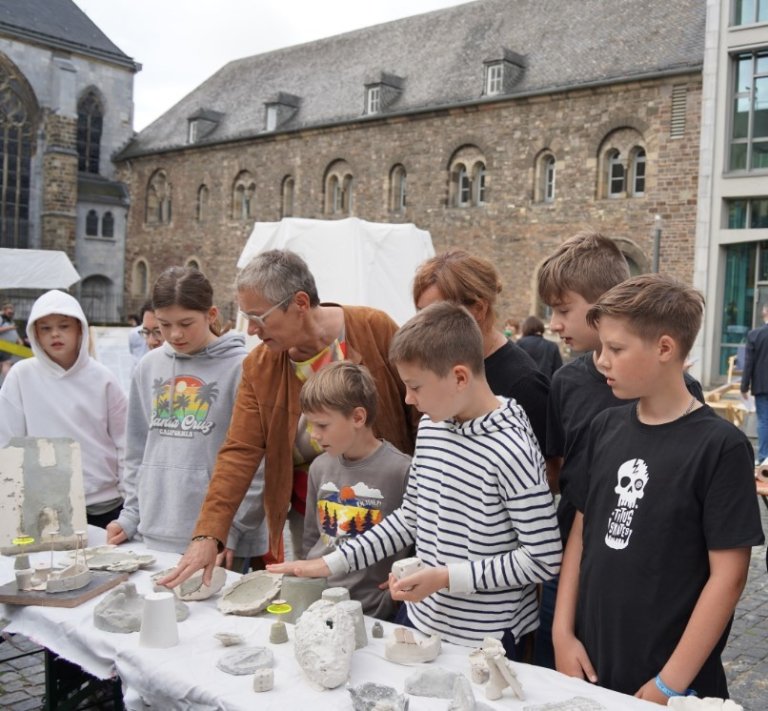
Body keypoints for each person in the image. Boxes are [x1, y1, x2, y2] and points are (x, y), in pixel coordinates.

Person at [268, 302, 562, 655]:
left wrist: (445, 577)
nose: (408, 399)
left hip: (486, 640)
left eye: (415, 386)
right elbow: (411, 517)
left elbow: (543, 558)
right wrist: (329, 563)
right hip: (421, 621)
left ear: (459, 377)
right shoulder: (432, 427)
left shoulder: (511, 447)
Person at [553, 274, 764, 701]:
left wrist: (670, 683)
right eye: (601, 348)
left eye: (616, 349)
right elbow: (582, 531)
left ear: (665, 349)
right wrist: (562, 632)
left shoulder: (721, 447)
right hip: (590, 664)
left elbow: (729, 576)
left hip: (672, 683)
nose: (602, 361)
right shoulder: (604, 427)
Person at [159, 249, 416, 588]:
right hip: (311, 517)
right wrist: (208, 533)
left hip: (392, 511)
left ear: (299, 302)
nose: (251, 330)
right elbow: (240, 450)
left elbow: (420, 415)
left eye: (259, 317)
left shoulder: (374, 328)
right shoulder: (259, 366)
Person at [535, 231, 704, 669]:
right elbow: (560, 469)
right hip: (572, 558)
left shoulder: (682, 394)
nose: (554, 324)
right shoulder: (566, 382)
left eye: (562, 310)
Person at [106, 267, 267, 563]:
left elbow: (257, 462)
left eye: (186, 323)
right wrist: (130, 515)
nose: (175, 334)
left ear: (212, 314)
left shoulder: (243, 369)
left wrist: (228, 529)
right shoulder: (148, 366)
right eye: (164, 324)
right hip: (153, 532)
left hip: (221, 541)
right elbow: (137, 450)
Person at [411, 249, 553, 485]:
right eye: (420, 314)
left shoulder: (523, 382)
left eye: (436, 314)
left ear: (478, 309)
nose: (424, 325)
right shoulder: (442, 365)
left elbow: (549, 472)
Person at [0, 290, 127, 527]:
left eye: (64, 326)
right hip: (44, 506)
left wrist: (131, 502)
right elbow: (7, 441)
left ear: (80, 329)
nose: (55, 334)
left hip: (104, 504)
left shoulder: (103, 378)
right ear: (34, 333)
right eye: (45, 328)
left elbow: (125, 443)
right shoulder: (21, 376)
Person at [300, 361, 411, 619]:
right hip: (320, 603)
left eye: (322, 425)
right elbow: (311, 538)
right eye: (310, 425)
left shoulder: (402, 470)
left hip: (374, 610)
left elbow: (417, 539)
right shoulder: (318, 466)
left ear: (358, 417)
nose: (313, 435)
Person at [740, 303, 768, 464]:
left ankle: (764, 456)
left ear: (765, 311)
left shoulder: (755, 335)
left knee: (764, 420)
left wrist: (744, 386)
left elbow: (749, 364)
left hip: (762, 385)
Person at [0, 302, 22, 378]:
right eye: (9, 311)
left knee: (4, 364)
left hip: (8, 347)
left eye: (12, 311)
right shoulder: (1, 318)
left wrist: (19, 340)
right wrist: (10, 328)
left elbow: (14, 332)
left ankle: (6, 384)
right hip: (2, 345)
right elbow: (10, 329)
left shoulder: (10, 321)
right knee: (6, 364)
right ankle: (8, 382)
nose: (11, 312)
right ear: (4, 310)